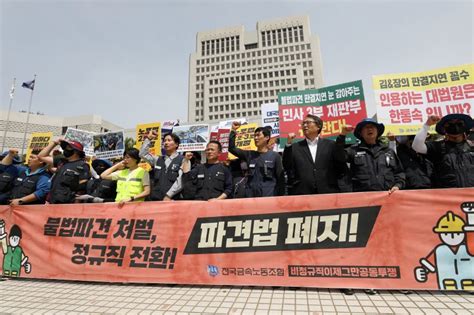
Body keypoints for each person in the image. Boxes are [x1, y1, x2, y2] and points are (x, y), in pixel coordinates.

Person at [335, 118, 406, 193]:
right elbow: (339, 156)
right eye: (366, 127)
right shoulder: (353, 150)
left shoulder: (388, 151)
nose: (370, 129)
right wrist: (342, 135)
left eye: (372, 127)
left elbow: (399, 173)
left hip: (388, 196)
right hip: (364, 199)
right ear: (361, 133)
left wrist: (397, 186)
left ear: (377, 131)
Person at [283, 114, 346, 195]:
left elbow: (340, 165)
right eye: (303, 123)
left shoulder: (330, 145)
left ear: (318, 127)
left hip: (327, 191)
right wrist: (288, 144)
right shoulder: (295, 147)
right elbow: (286, 165)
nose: (305, 125)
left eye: (308, 122)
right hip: (303, 193)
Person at [412, 114, 474, 188]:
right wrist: (427, 125)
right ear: (444, 129)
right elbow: (416, 146)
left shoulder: (471, 147)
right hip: (447, 196)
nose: (455, 126)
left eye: (459, 123)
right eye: (450, 124)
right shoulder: (438, 147)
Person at [228, 122, 284, 197]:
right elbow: (232, 149)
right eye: (254, 136)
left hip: (269, 196)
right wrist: (233, 131)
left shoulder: (275, 156)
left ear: (267, 137)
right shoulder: (249, 154)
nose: (255, 138)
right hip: (251, 196)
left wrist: (280, 197)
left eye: (258, 135)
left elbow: (281, 179)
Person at [39, 139, 90, 204]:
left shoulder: (82, 166)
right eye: (65, 147)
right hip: (52, 201)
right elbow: (41, 156)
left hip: (66, 204)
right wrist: (54, 143)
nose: (65, 149)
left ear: (76, 151)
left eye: (68, 147)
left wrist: (76, 207)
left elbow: (81, 190)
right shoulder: (61, 161)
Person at [139, 131, 183, 201]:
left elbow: (180, 181)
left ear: (176, 144)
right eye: (165, 141)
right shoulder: (157, 159)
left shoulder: (182, 160)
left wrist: (168, 195)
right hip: (156, 200)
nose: (166, 143)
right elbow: (142, 154)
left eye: (169, 140)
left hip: (173, 200)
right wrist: (148, 139)